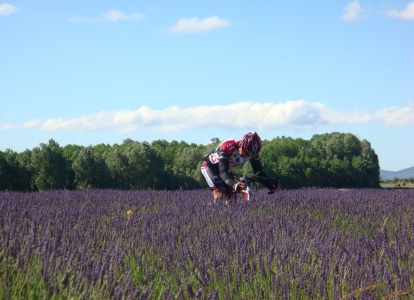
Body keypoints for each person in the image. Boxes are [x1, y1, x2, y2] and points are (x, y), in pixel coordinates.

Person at [201, 132, 279, 205]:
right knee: (220, 194)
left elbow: (258, 173)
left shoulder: (252, 153)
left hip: (226, 170)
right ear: (241, 145)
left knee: (232, 200)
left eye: (249, 156)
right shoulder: (228, 146)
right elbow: (223, 172)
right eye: (245, 154)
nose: (245, 157)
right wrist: (235, 185)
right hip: (210, 167)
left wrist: (270, 184)